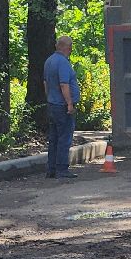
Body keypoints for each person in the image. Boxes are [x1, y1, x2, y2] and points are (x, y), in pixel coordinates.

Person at [43, 35, 80, 179]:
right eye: (70, 47)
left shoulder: (49, 61)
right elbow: (64, 84)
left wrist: (49, 98)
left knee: (53, 138)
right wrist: (69, 103)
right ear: (67, 47)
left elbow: (45, 83)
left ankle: (51, 169)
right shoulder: (63, 63)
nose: (71, 50)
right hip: (62, 106)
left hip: (52, 105)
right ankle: (62, 169)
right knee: (64, 138)